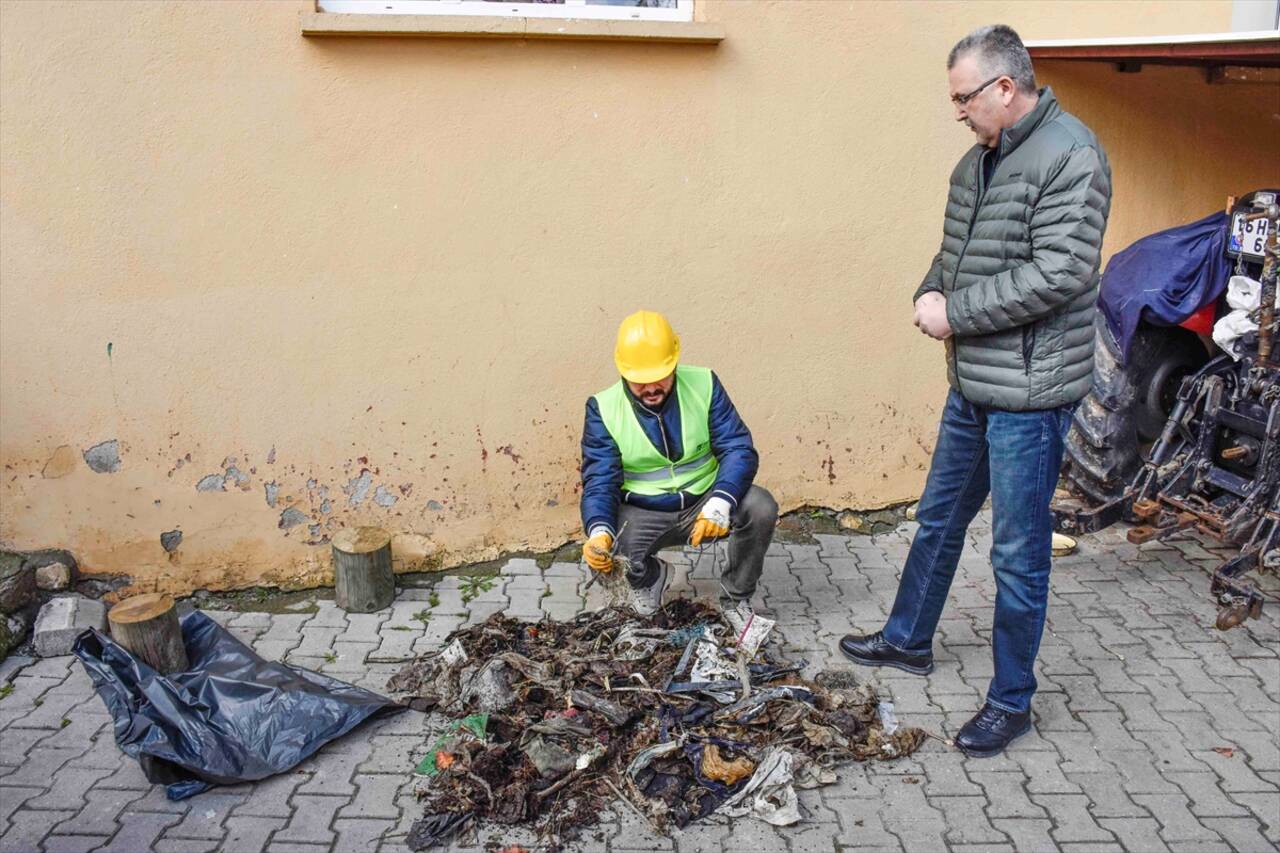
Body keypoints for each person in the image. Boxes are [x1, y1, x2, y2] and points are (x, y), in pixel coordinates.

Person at [838, 25, 1112, 757]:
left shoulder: (1072, 157)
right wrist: (932, 287)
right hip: (974, 383)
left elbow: (1059, 274)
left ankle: (1010, 701)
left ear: (1004, 88)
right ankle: (906, 640)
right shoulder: (978, 162)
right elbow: (956, 249)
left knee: (1018, 554)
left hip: (1030, 392)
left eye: (964, 97)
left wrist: (953, 312)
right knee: (937, 518)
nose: (956, 110)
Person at [579, 310, 778, 633]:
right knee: (606, 548)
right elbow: (600, 479)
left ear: (674, 362)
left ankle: (736, 600)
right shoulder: (603, 408)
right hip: (645, 510)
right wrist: (599, 530)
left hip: (705, 501)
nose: (651, 386)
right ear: (623, 370)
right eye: (640, 379)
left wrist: (721, 501)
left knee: (761, 507)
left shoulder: (704, 384)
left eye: (660, 374)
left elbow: (738, 447)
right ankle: (650, 579)